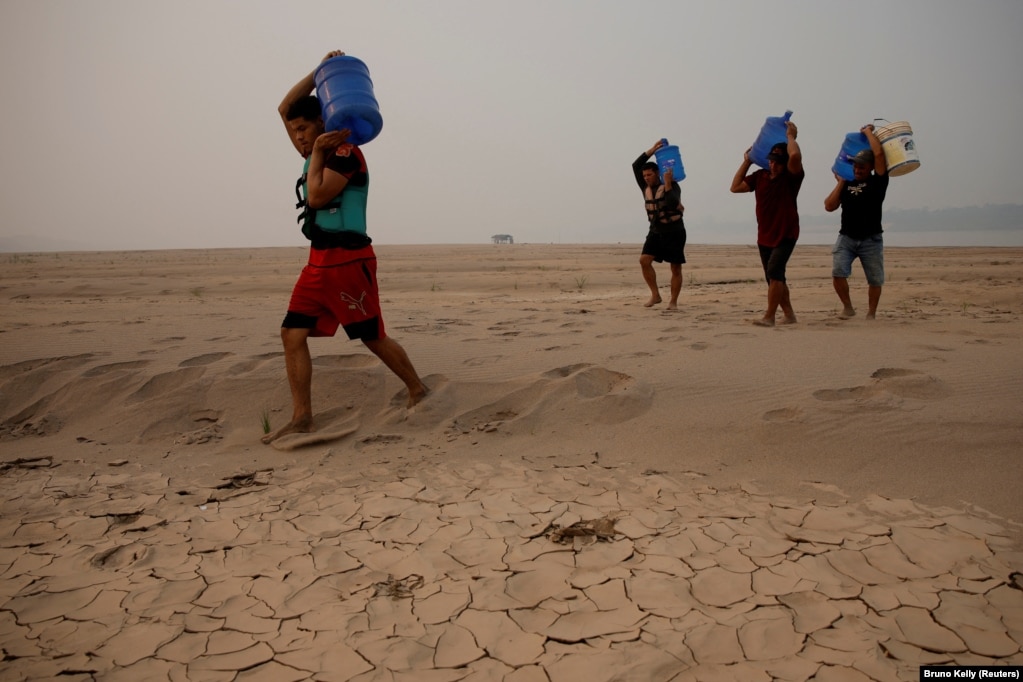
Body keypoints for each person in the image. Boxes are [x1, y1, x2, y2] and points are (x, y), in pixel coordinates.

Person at [262, 50, 428, 444]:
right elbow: (285, 107)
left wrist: (319, 149)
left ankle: (418, 389)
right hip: (317, 263)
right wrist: (318, 70)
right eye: (296, 131)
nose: (300, 136)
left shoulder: (344, 153)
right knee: (291, 334)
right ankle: (302, 417)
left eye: (306, 128)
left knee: (371, 335)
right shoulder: (312, 151)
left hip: (349, 260)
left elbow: (318, 198)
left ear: (324, 121)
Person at [730, 121, 804, 327]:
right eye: (771, 160)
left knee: (775, 273)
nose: (774, 164)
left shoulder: (792, 177)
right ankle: (789, 315)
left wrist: (791, 137)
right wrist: (747, 161)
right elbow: (735, 187)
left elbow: (796, 156)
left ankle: (769, 317)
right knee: (774, 278)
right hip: (764, 235)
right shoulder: (760, 176)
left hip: (786, 233)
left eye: (779, 162)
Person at [824, 125, 889, 319]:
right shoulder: (847, 183)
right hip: (847, 238)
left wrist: (868, 132)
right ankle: (848, 307)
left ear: (870, 168)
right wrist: (841, 182)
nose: (857, 169)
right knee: (838, 272)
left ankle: (871, 314)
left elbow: (878, 154)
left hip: (871, 239)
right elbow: (829, 206)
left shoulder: (878, 182)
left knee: (875, 280)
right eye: (855, 165)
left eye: (861, 166)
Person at [632, 140, 686, 309]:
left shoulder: (673, 185)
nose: (646, 178)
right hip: (656, 230)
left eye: (649, 175)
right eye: (644, 176)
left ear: (657, 173)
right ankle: (655, 295)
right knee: (644, 260)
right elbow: (636, 165)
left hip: (675, 231)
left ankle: (673, 302)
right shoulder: (644, 187)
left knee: (675, 268)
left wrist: (668, 184)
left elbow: (671, 204)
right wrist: (651, 150)